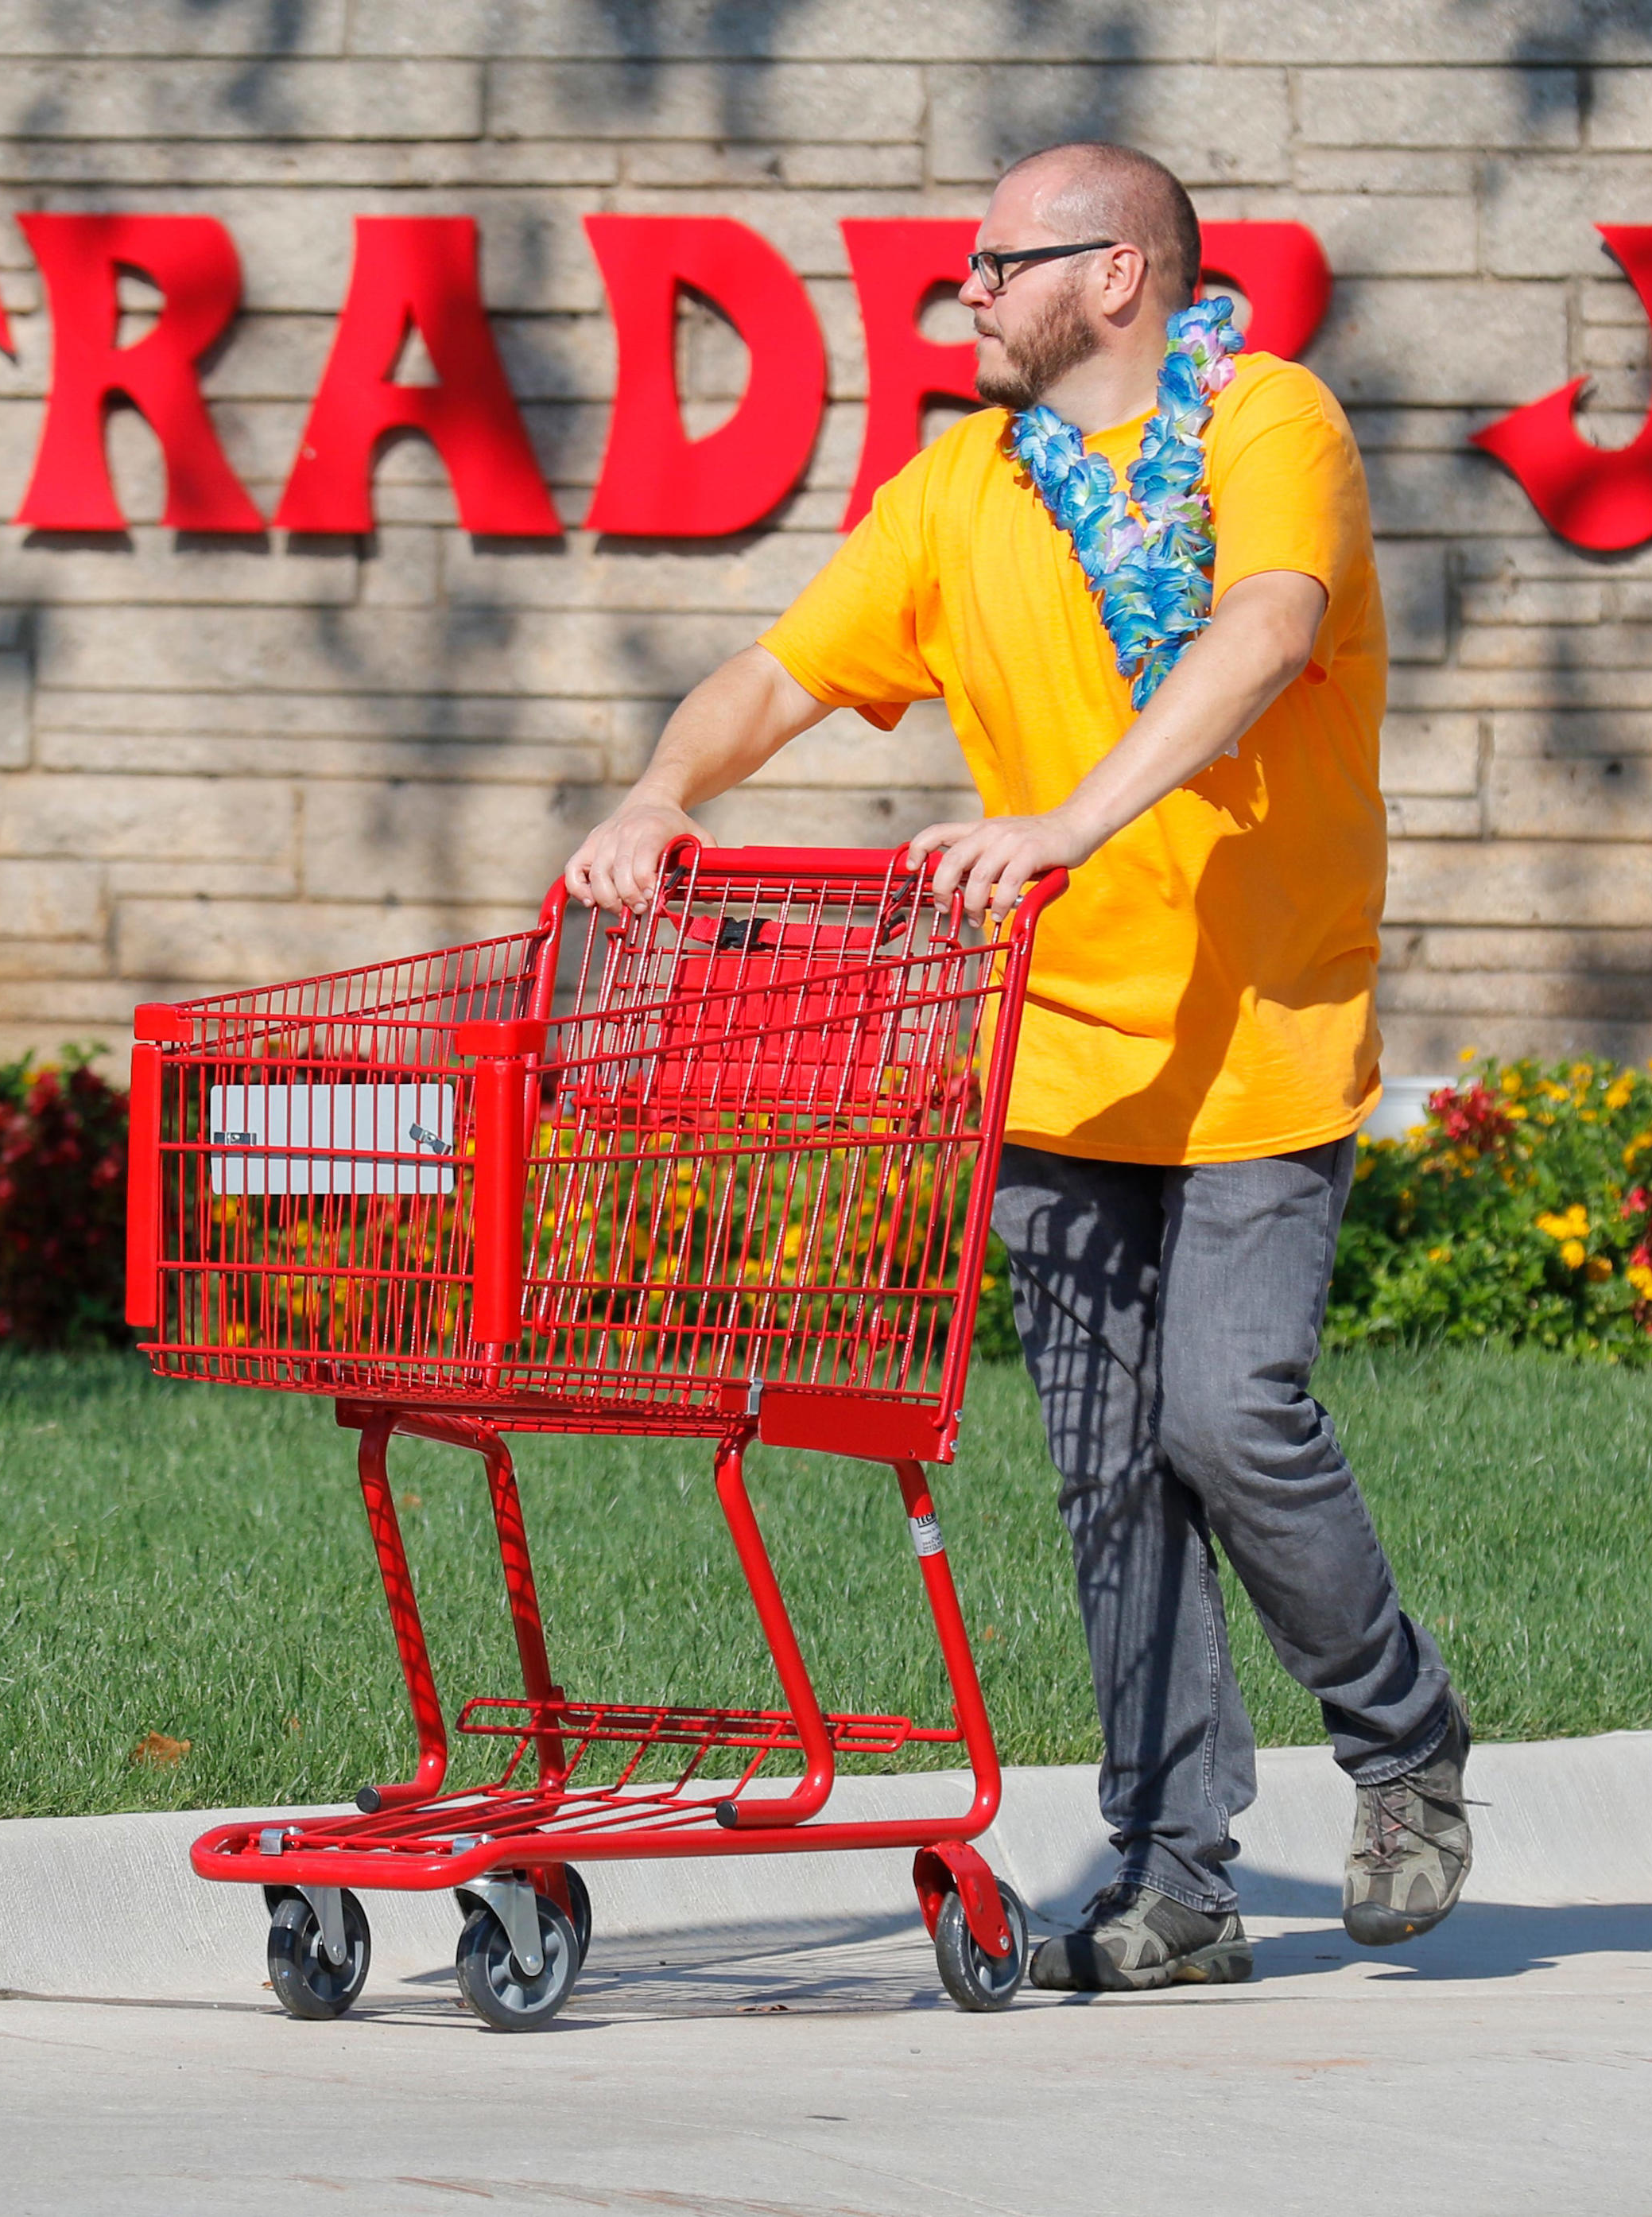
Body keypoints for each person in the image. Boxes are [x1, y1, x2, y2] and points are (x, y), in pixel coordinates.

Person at [562, 140, 1468, 1993]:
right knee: (1108, 1467)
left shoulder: (1264, 425)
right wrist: (662, 788)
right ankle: (1179, 1868)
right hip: (1052, 1054)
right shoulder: (960, 487)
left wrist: (1068, 818)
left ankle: (1403, 1742)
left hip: (1256, 1036)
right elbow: (777, 671)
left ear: (1119, 273)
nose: (961, 293)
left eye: (994, 265)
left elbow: (1268, 628)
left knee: (1231, 1412)